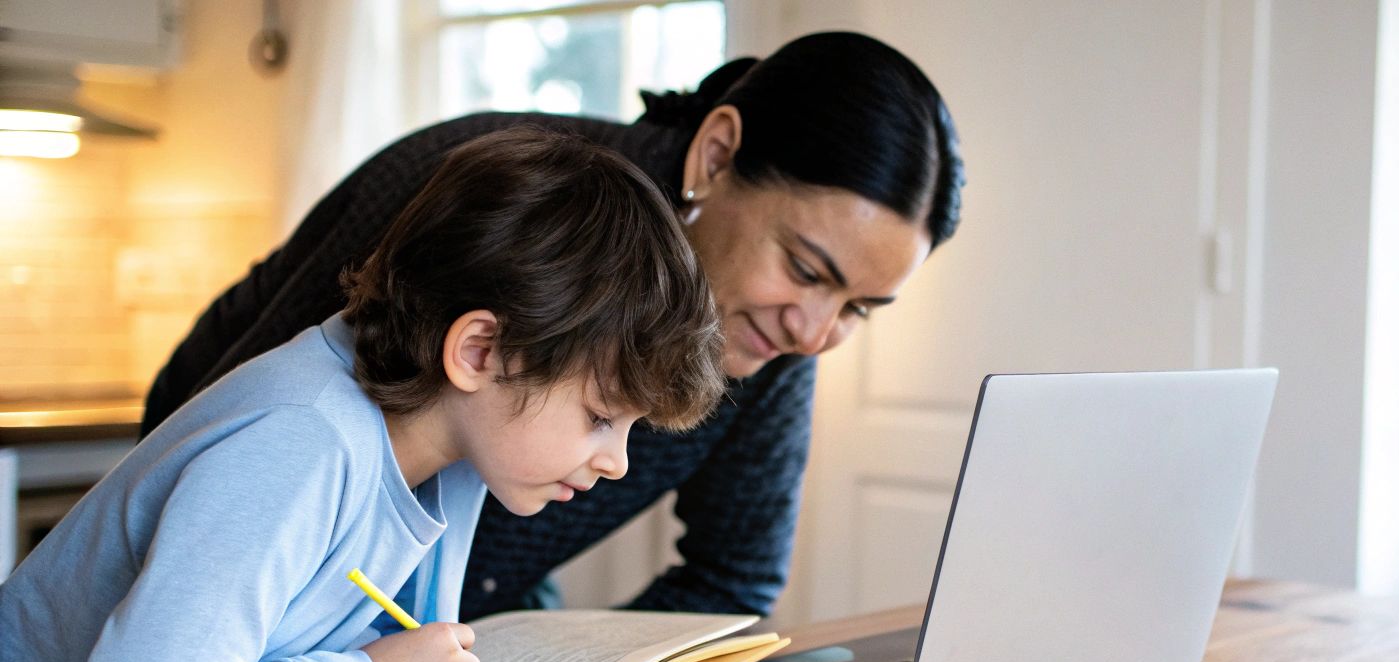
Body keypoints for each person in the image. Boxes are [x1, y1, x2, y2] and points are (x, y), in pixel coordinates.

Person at [140, 31, 965, 620]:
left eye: (858, 308)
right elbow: (235, 443)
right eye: (808, 269)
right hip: (229, 578)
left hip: (461, 626)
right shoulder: (494, 203)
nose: (815, 332)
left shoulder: (774, 332)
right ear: (717, 155)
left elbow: (731, 578)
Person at [0, 127, 723, 662]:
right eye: (600, 416)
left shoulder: (454, 449)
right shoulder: (302, 438)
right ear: (478, 351)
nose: (618, 461)